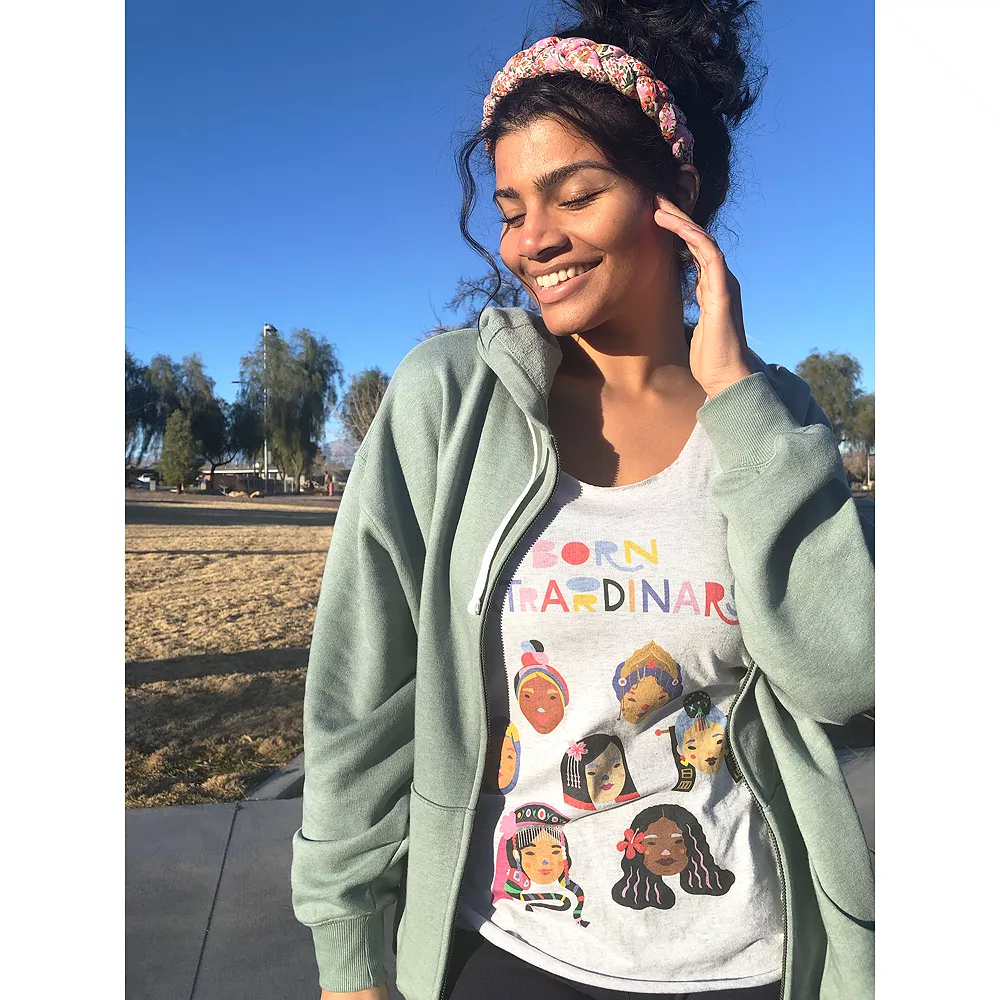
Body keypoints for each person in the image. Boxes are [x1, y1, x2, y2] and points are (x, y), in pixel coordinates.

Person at [291, 2, 874, 999]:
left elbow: (842, 678)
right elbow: (361, 690)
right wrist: (349, 954)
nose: (534, 240)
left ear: (675, 194)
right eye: (513, 208)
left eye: (578, 194)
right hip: (508, 945)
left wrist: (739, 403)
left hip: (749, 962)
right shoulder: (449, 400)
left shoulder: (768, 419)